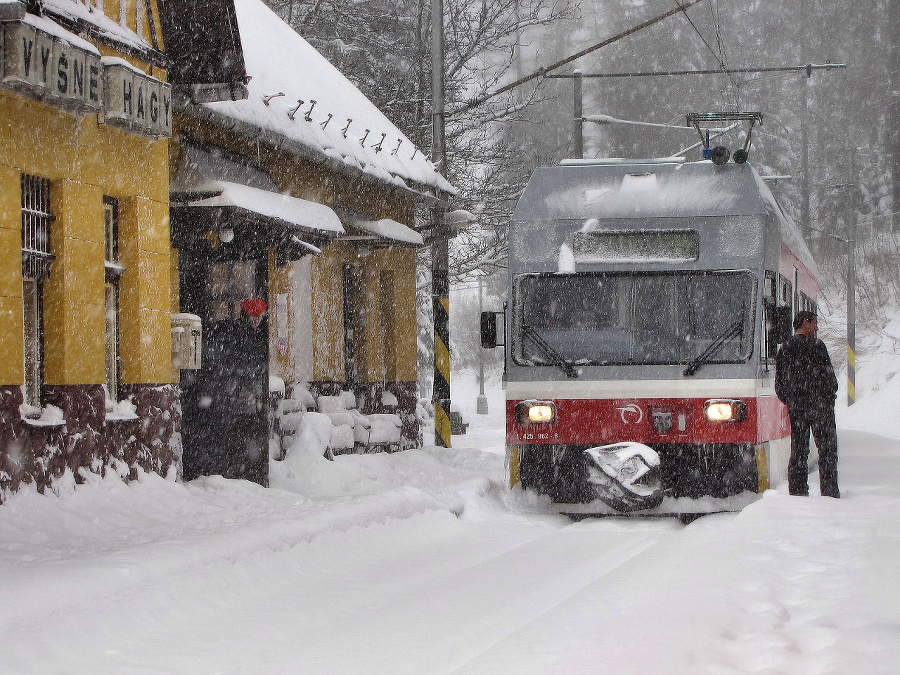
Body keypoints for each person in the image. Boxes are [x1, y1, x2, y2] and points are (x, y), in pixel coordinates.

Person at [775, 310, 840, 498]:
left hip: (798, 409)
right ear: (806, 323)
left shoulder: (785, 348)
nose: (817, 327)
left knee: (799, 450)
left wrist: (793, 402)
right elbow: (831, 380)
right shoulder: (818, 347)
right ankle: (829, 492)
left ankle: (797, 491)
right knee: (827, 450)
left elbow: (779, 384)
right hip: (820, 409)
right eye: (815, 323)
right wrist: (827, 401)